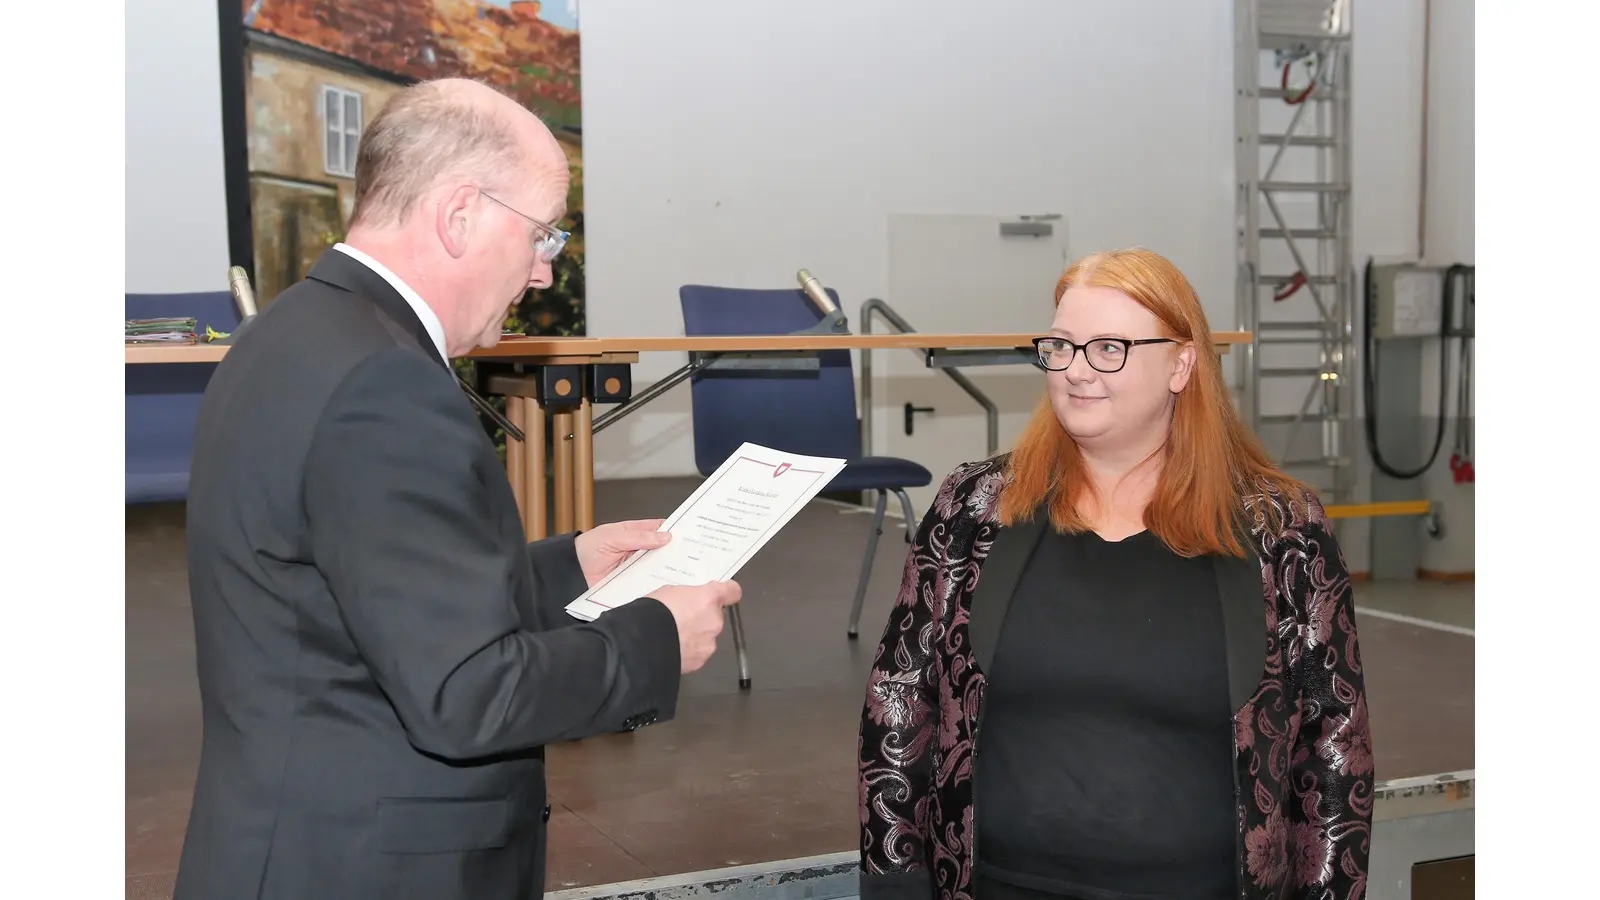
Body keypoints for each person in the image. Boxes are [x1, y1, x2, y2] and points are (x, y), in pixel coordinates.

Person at [174, 78, 742, 900]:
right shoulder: (386, 386)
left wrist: (566, 567)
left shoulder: (292, 332)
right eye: (543, 235)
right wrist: (655, 636)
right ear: (459, 213)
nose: (543, 273)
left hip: (291, 838)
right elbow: (467, 694)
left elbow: (358, 595)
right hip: (371, 866)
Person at [856, 248, 1372, 900]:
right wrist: (895, 889)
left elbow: (1333, 748)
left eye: (1108, 349)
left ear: (1182, 364)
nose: (1076, 371)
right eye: (1062, 346)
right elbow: (899, 702)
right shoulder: (972, 507)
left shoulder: (1281, 528)